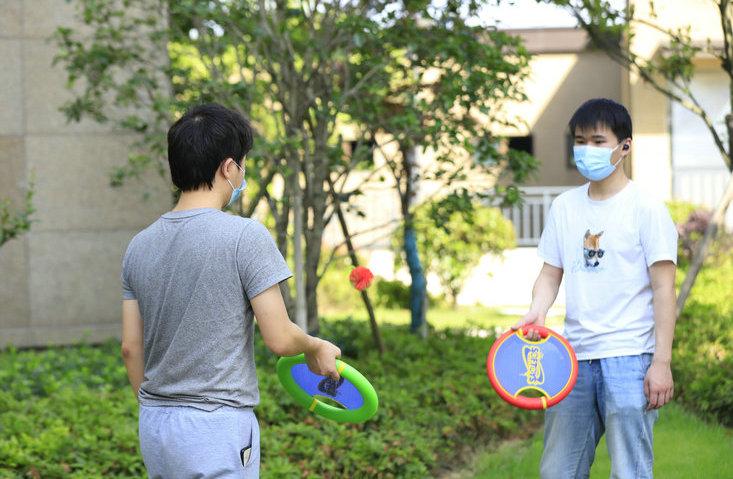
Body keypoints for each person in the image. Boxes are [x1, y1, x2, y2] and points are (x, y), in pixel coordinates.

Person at [120, 103, 341, 478]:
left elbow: (130, 348)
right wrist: (316, 347)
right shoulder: (244, 236)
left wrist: (158, 406)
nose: (242, 174)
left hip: (155, 425)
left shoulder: (138, 246)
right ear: (228, 168)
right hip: (216, 427)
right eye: (242, 164)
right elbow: (280, 339)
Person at [513, 98, 678, 478]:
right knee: (558, 471)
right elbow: (550, 273)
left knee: (630, 472)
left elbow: (664, 291)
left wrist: (662, 363)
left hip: (631, 358)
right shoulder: (565, 207)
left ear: (625, 146)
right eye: (580, 140)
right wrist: (538, 309)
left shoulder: (647, 208)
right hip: (573, 360)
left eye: (599, 141)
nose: (588, 149)